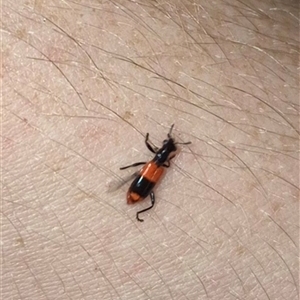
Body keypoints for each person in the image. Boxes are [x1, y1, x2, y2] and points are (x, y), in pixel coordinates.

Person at [2, 0, 298, 299]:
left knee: (144, 185)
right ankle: (142, 207)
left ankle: (142, 206)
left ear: (162, 153)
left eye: (166, 148)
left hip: (141, 186)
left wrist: (141, 164)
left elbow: (150, 159)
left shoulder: (155, 162)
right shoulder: (159, 164)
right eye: (167, 146)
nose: (165, 148)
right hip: (141, 187)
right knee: (146, 188)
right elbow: (153, 162)